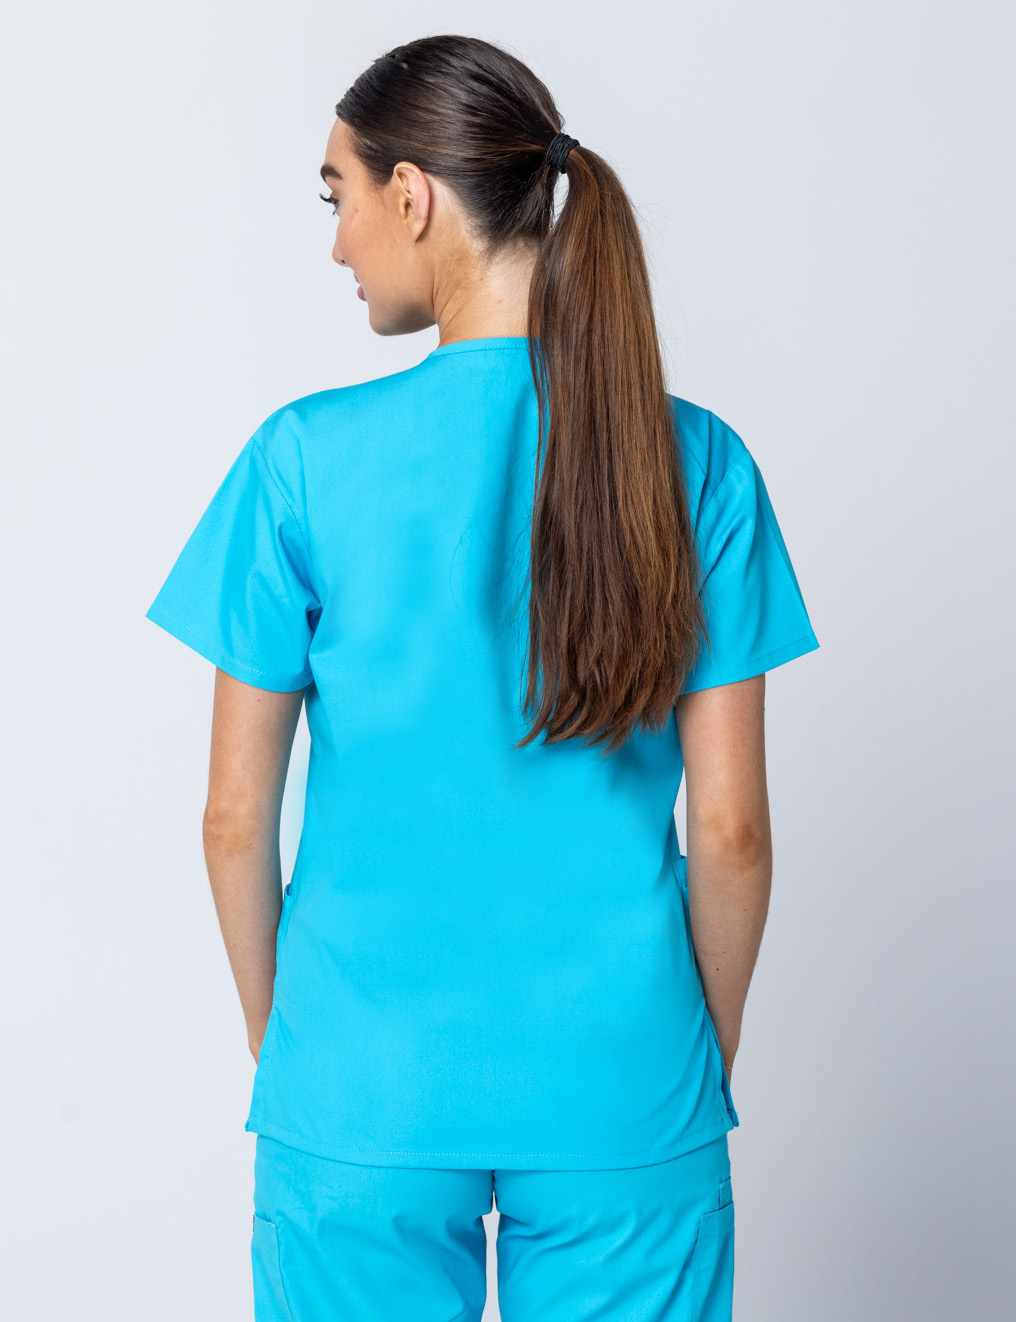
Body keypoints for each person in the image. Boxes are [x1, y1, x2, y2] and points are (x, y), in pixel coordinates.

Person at [145, 33, 819, 1322]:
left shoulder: (302, 461)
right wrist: (681, 1067)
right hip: (624, 1079)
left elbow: (234, 821)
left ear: (412, 195)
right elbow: (733, 832)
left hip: (359, 1085)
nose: (337, 246)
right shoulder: (698, 463)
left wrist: (302, 1065)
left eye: (338, 197)